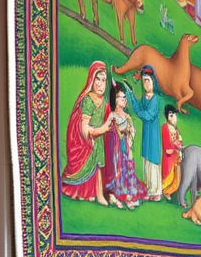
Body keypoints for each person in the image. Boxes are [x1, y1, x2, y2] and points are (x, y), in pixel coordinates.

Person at [60, 61, 112, 205]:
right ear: (91, 80)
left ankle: (98, 193)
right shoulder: (88, 100)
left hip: (99, 140)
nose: (101, 84)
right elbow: (85, 129)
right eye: (98, 79)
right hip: (88, 142)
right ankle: (88, 192)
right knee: (94, 161)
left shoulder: (103, 102)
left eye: (104, 80)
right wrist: (102, 129)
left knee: (100, 164)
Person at [123, 63, 163, 201]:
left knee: (153, 160)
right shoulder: (145, 98)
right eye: (144, 81)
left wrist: (140, 112)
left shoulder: (155, 99)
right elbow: (137, 107)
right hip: (147, 133)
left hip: (153, 133)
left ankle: (156, 191)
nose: (146, 84)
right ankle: (149, 189)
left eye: (148, 81)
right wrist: (130, 94)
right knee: (146, 159)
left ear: (153, 82)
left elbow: (147, 115)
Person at [103, 83, 146, 209]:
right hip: (116, 149)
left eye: (124, 97)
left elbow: (132, 130)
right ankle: (119, 194)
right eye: (121, 97)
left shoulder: (127, 116)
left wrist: (130, 137)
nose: (124, 100)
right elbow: (107, 129)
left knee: (129, 167)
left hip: (126, 146)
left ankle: (130, 194)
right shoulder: (112, 116)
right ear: (115, 100)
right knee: (119, 169)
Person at [161, 105, 183, 197]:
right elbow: (167, 147)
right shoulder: (165, 128)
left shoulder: (175, 128)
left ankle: (170, 191)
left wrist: (179, 145)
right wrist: (176, 146)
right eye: (171, 115)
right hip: (169, 158)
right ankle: (165, 190)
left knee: (177, 178)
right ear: (168, 116)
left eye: (174, 115)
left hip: (176, 157)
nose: (174, 117)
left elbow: (180, 140)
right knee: (168, 177)